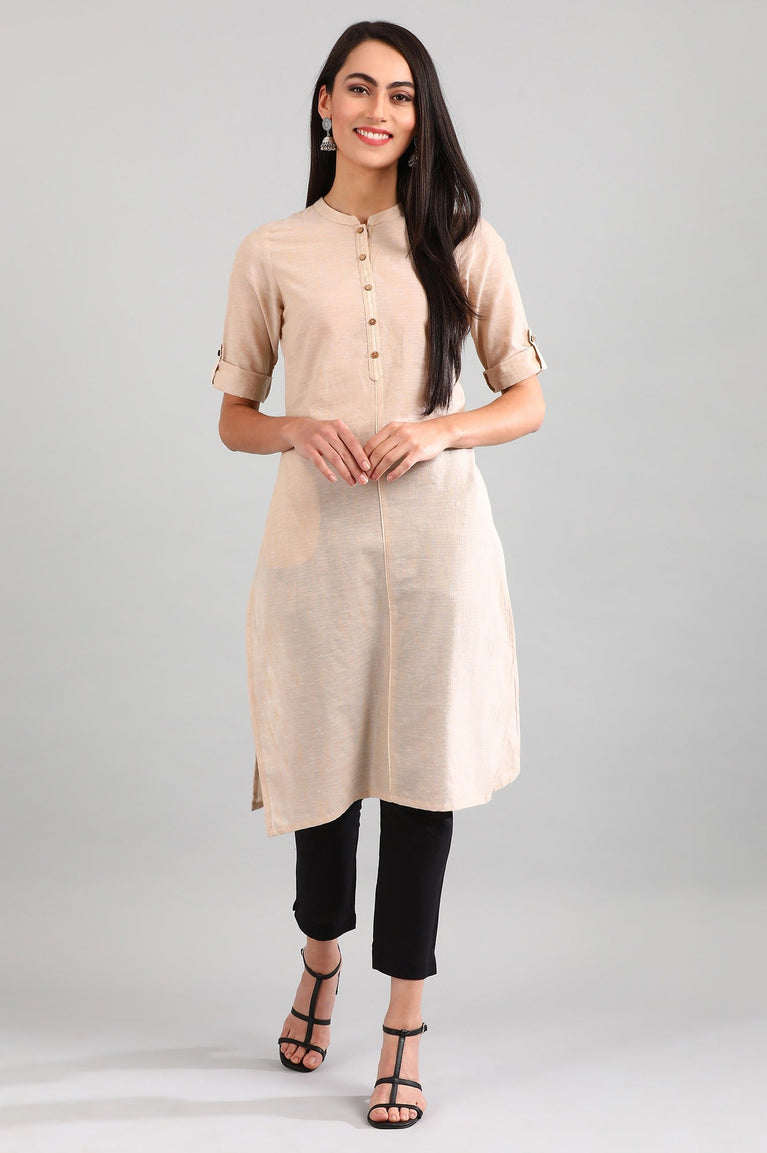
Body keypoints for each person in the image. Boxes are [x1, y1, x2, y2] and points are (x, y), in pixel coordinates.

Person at [211, 20, 547, 1131]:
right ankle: (319, 958)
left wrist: (440, 429)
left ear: (418, 115)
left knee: (420, 778)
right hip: (316, 552)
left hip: (438, 550)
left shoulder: (461, 239)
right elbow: (233, 415)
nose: (378, 110)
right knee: (317, 772)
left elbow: (526, 397)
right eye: (358, 89)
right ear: (323, 103)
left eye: (400, 95)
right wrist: (295, 426)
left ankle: (403, 1020)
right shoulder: (271, 250)